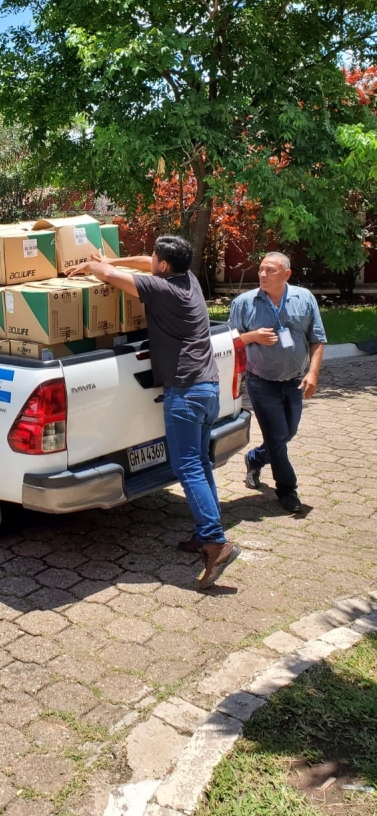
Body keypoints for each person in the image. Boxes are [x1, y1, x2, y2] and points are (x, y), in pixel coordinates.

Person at [67, 236, 240, 590]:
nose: (150, 261)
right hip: (208, 388)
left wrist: (94, 266)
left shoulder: (162, 291)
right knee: (201, 463)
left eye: (154, 257)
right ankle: (205, 532)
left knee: (187, 466)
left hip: (186, 392)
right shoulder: (187, 280)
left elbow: (109, 276)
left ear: (164, 266)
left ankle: (215, 542)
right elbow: (143, 264)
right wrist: (116, 259)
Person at [228, 252, 327, 513]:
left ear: (286, 274)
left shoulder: (304, 298)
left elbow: (317, 339)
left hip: (294, 381)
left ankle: (255, 458)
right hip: (261, 382)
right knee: (276, 437)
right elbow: (230, 341)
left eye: (270, 270)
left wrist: (313, 374)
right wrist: (253, 336)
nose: (262, 274)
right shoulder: (244, 303)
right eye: (261, 269)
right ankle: (287, 489)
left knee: (287, 434)